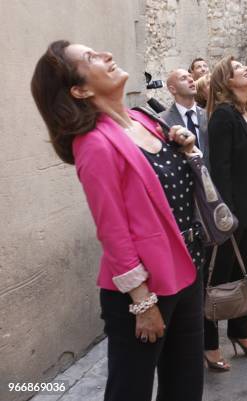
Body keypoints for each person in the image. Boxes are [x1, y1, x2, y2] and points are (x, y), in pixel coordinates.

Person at [31, 40, 204, 401]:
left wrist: (185, 148)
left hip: (186, 269)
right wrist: (143, 304)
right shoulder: (93, 144)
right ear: (80, 90)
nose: (107, 55)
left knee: (186, 385)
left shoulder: (146, 119)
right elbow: (113, 233)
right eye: (91, 58)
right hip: (143, 291)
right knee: (130, 390)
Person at [206, 56, 247, 370]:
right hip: (233, 212)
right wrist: (228, 216)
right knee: (219, 279)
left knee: (244, 276)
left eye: (246, 65)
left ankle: (241, 334)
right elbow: (220, 171)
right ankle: (209, 344)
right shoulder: (223, 116)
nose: (246, 67)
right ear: (227, 81)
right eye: (238, 68)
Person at [161, 69, 209, 167]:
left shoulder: (209, 115)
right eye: (183, 78)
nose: (191, 80)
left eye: (190, 76)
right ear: (172, 89)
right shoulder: (163, 120)